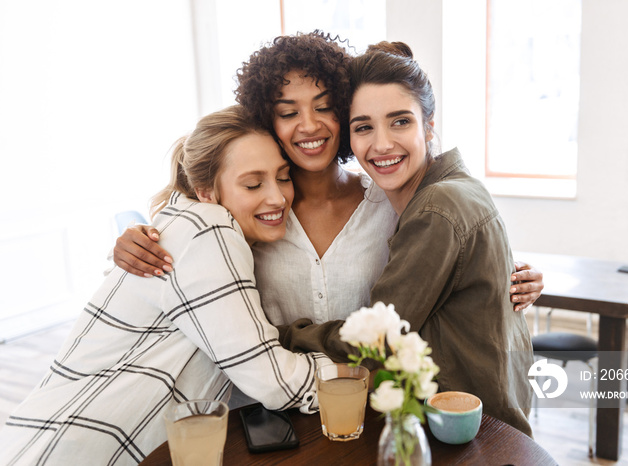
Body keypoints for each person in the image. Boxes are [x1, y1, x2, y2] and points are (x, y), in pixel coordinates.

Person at [112, 32, 544, 326]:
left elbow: (455, 248)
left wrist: (518, 274)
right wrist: (136, 237)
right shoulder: (251, 207)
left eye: (323, 107)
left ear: (345, 112)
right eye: (287, 112)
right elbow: (185, 227)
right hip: (268, 414)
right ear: (267, 119)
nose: (309, 126)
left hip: (370, 411)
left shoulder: (389, 203)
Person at [0, 105, 330, 465]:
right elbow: (272, 380)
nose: (278, 197)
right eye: (253, 183)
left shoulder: (186, 222)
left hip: (60, 433)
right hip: (81, 446)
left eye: (283, 177)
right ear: (205, 190)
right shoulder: (210, 228)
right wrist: (360, 375)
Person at [278, 41, 535, 436]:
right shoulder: (450, 190)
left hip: (473, 434)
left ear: (429, 125)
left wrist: (286, 334)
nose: (381, 144)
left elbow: (377, 339)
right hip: (480, 421)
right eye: (364, 126)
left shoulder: (437, 207)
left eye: (400, 121)